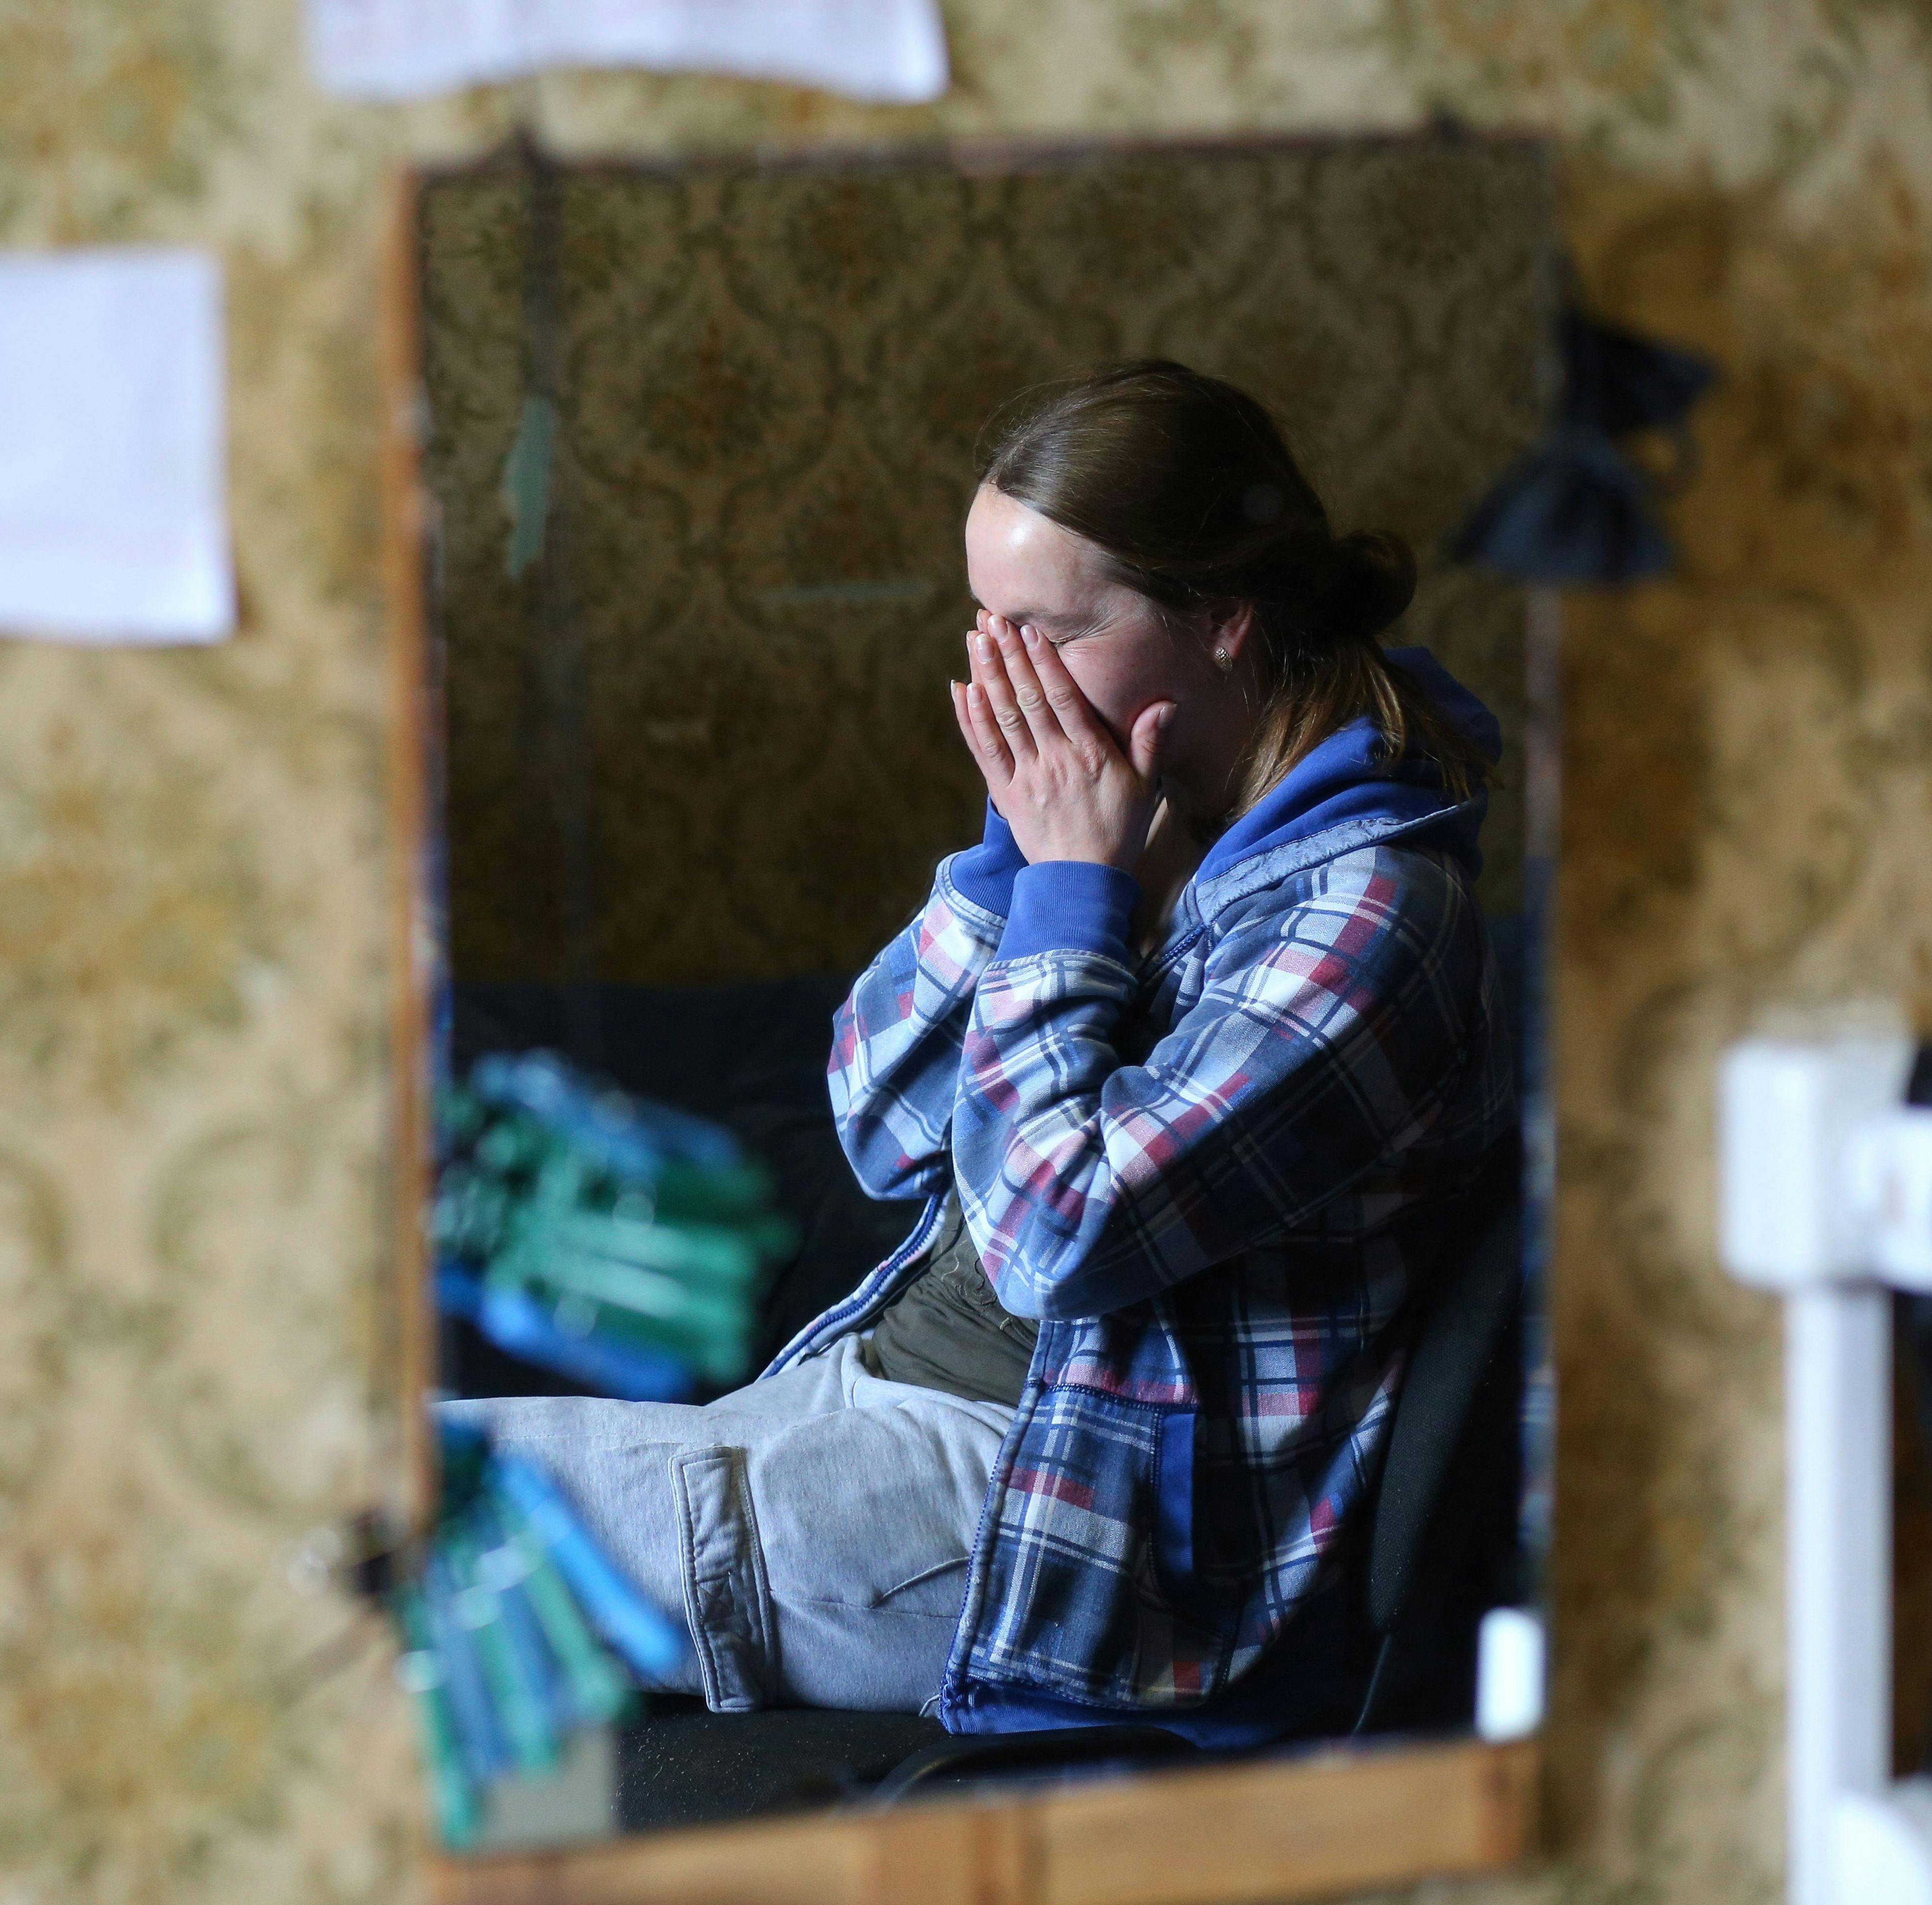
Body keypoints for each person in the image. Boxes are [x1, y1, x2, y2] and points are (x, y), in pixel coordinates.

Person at [443, 360, 1513, 1742]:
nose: (1002, 677)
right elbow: (880, 1121)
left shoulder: (1373, 918)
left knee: (384, 1523)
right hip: (875, 1402)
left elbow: (1049, 1243)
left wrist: (1073, 895)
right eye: (983, 626)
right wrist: (1017, 861)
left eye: (1048, 632)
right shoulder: (1144, 817)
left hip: (1038, 1517)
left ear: (1230, 626)